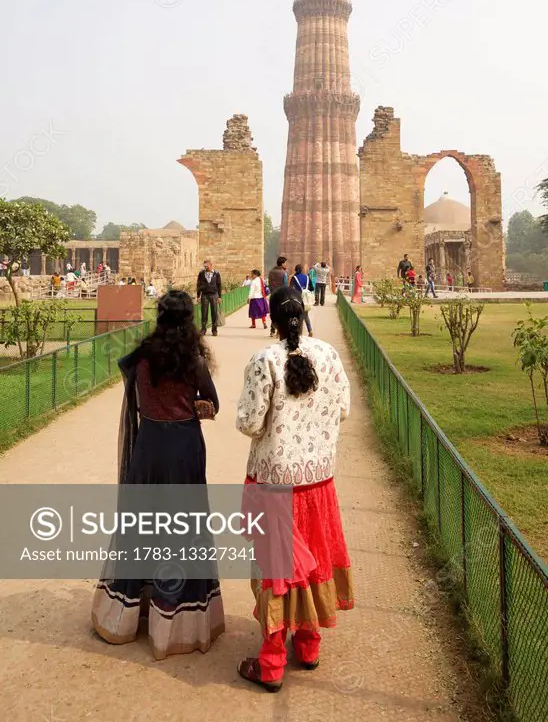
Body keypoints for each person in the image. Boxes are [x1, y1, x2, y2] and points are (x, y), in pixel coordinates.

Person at [91, 290, 225, 659]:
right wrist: (194, 405)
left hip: (148, 446)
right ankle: (177, 622)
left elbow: (132, 392)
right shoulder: (192, 361)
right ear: (189, 320)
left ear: (160, 316)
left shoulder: (142, 357)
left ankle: (127, 614)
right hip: (183, 448)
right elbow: (212, 404)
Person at [235, 286, 353, 692]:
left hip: (273, 481)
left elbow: (250, 423)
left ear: (270, 317)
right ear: (303, 315)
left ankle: (270, 663)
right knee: (314, 559)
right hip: (318, 479)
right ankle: (308, 644)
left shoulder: (264, 360)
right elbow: (344, 409)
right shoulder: (328, 355)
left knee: (276, 569)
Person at [197, 259, 222, 337]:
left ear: (211, 265)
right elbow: (198, 284)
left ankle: (214, 330)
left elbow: (219, 285)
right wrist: (198, 296)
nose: (206, 267)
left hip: (214, 295)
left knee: (214, 313)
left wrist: (220, 297)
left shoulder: (216, 274)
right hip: (204, 295)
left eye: (207, 266)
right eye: (205, 266)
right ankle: (203, 329)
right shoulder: (201, 273)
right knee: (204, 313)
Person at [268, 256, 289, 337]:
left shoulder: (271, 272)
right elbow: (285, 285)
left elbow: (269, 284)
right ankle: (279, 331)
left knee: (274, 313)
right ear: (282, 264)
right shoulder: (284, 273)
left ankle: (272, 331)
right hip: (282, 296)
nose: (286, 264)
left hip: (273, 295)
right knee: (281, 314)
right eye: (285, 263)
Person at [291, 263, 314, 336]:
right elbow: (312, 288)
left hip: (297, 298)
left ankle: (298, 332)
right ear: (302, 270)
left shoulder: (294, 278)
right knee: (305, 315)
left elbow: (291, 288)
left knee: (295, 315)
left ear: (295, 270)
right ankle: (310, 331)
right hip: (306, 299)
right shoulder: (307, 277)